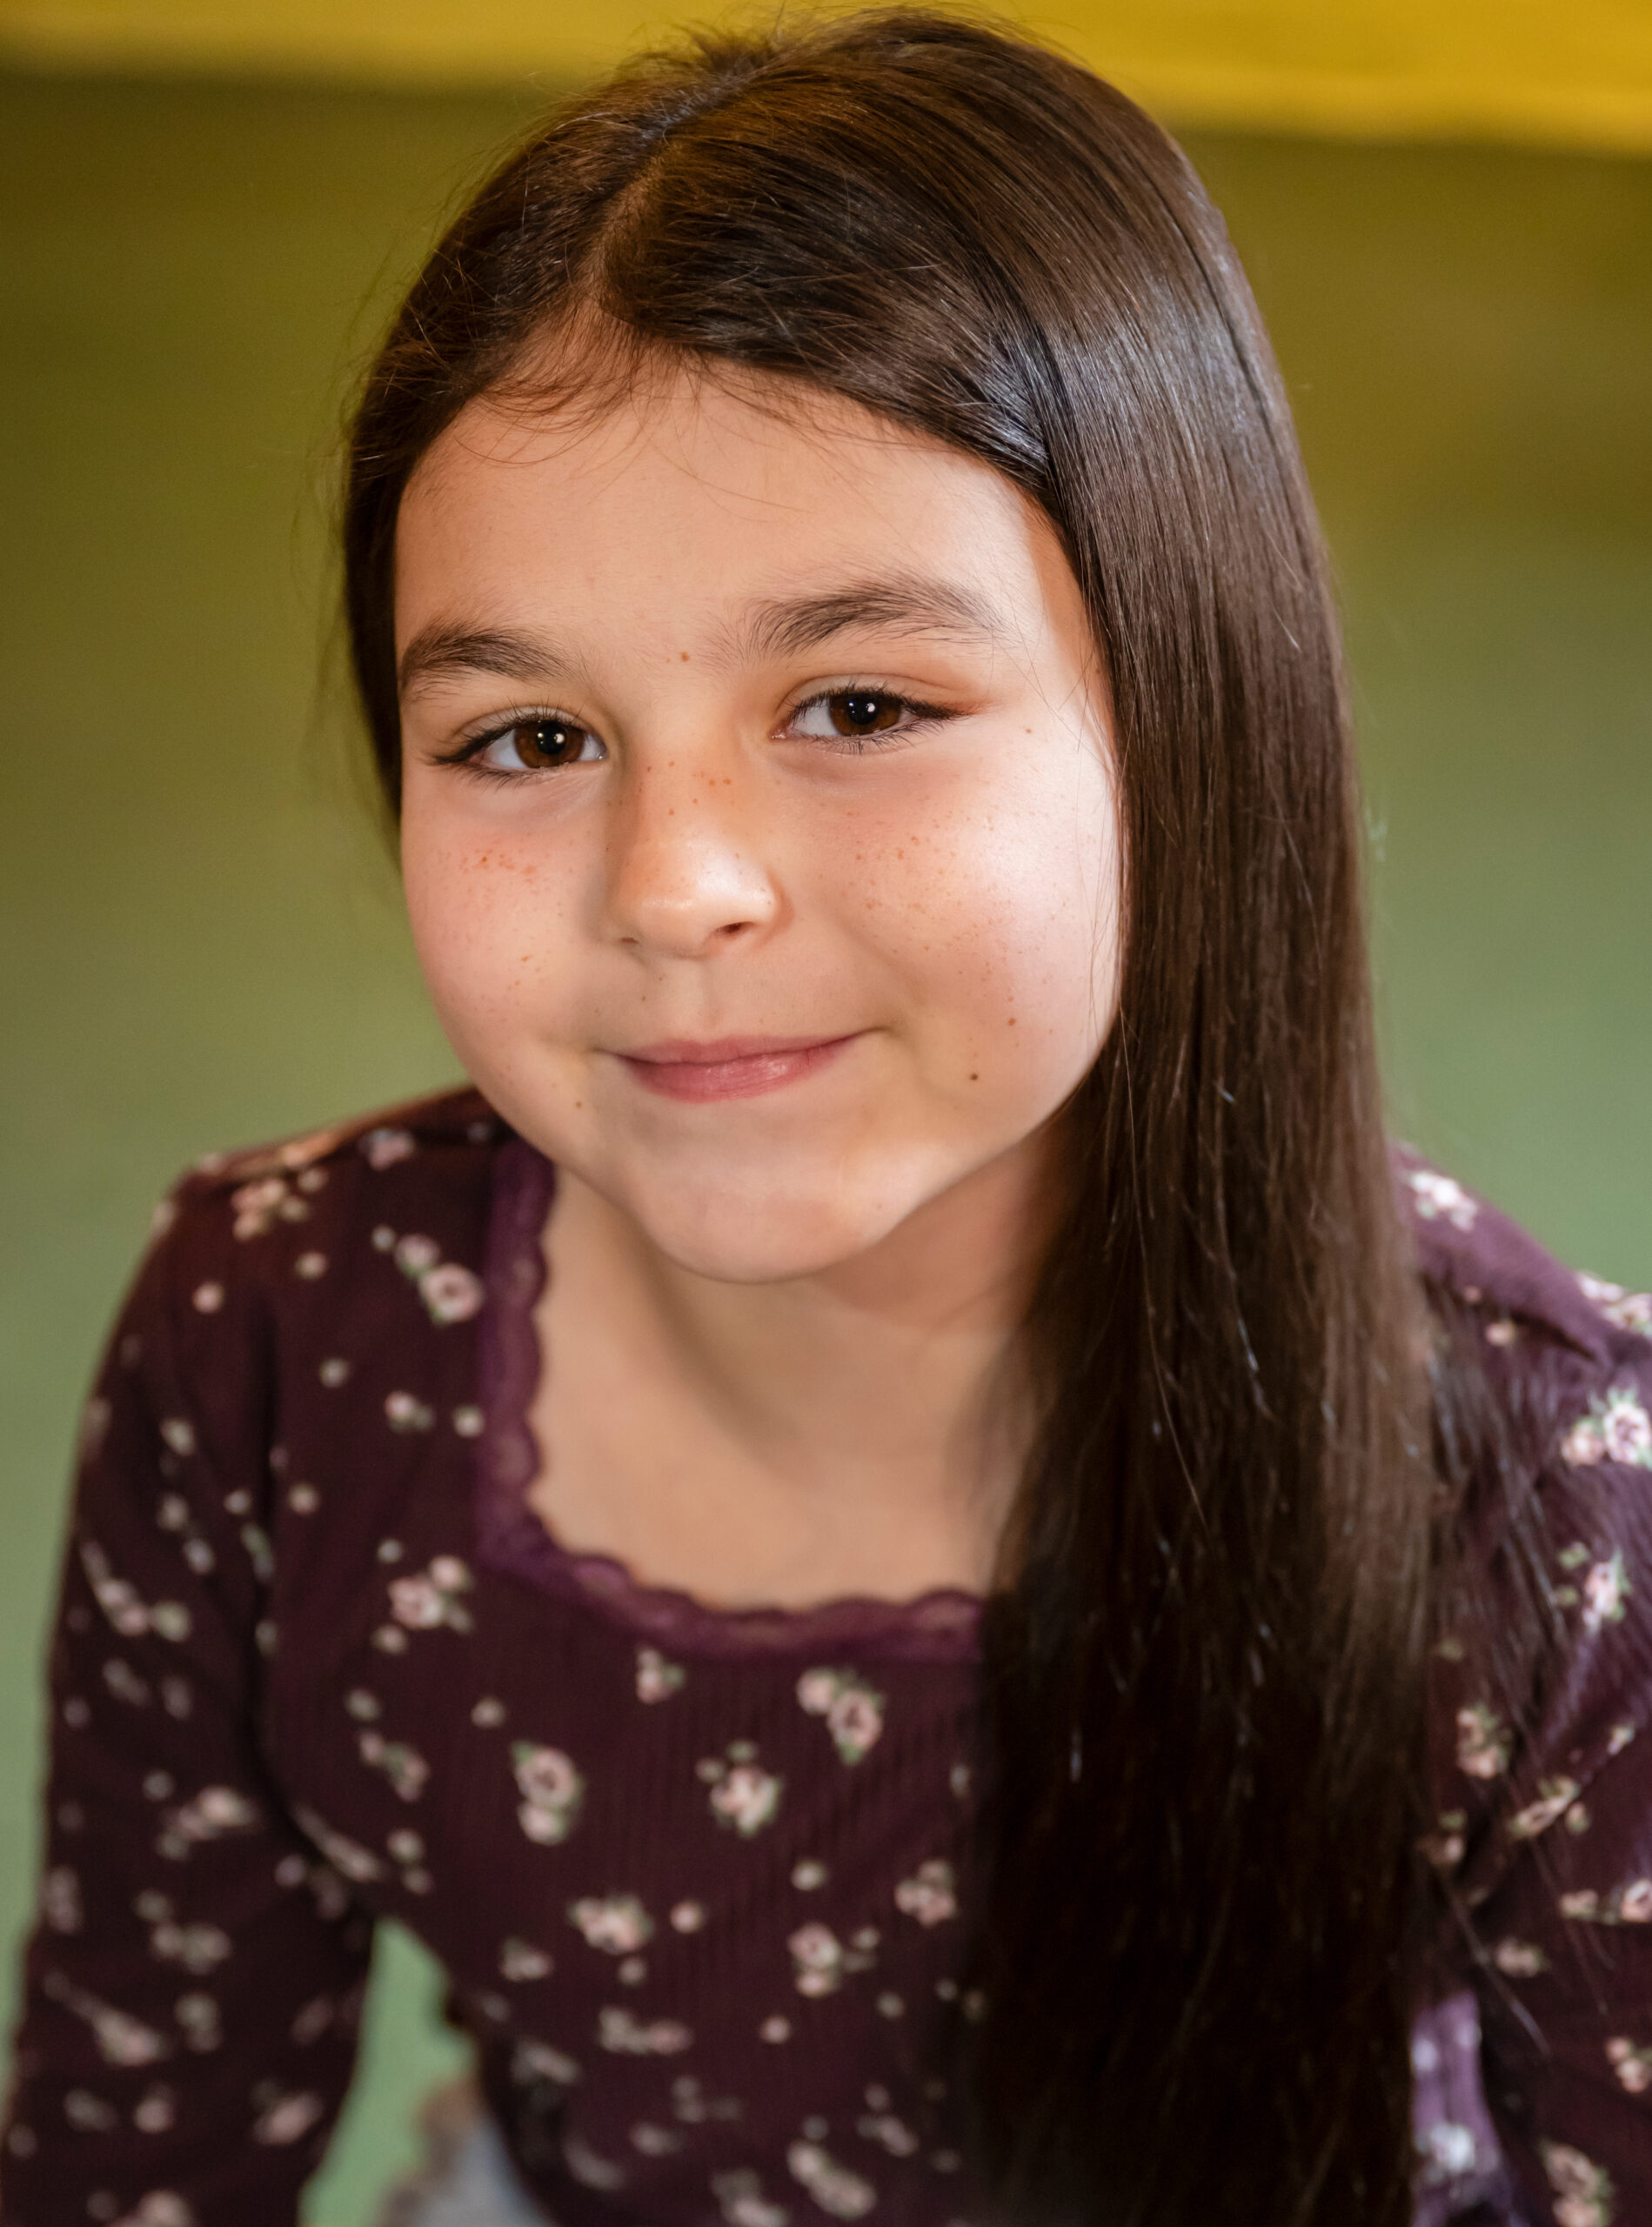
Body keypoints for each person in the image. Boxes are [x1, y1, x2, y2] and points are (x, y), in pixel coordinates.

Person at [3, 10, 1649, 2224]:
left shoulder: (1556, 1504)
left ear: (1191, 716)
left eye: (859, 702)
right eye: (526, 737)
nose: (673, 883)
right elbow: (136, 2141)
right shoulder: (277, 1337)